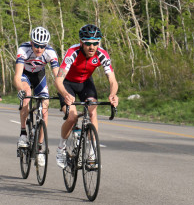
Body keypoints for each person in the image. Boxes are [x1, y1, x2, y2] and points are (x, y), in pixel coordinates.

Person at [54, 24, 118, 168]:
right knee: (72, 117)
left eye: (95, 43)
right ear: (82, 42)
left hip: (85, 83)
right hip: (67, 84)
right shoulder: (72, 52)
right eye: (88, 43)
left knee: (92, 112)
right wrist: (65, 94)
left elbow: (112, 80)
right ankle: (61, 149)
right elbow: (58, 80)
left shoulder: (102, 54)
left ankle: (91, 152)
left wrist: (113, 94)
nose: (92, 47)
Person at [13, 26, 59, 166]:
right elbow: (17, 76)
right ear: (31, 42)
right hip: (25, 76)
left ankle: (39, 148)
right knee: (27, 94)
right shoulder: (23, 49)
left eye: (42, 46)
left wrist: (63, 92)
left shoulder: (51, 52)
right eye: (36, 45)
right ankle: (23, 134)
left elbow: (58, 76)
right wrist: (20, 88)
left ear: (46, 45)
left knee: (45, 109)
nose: (39, 49)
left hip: (39, 77)